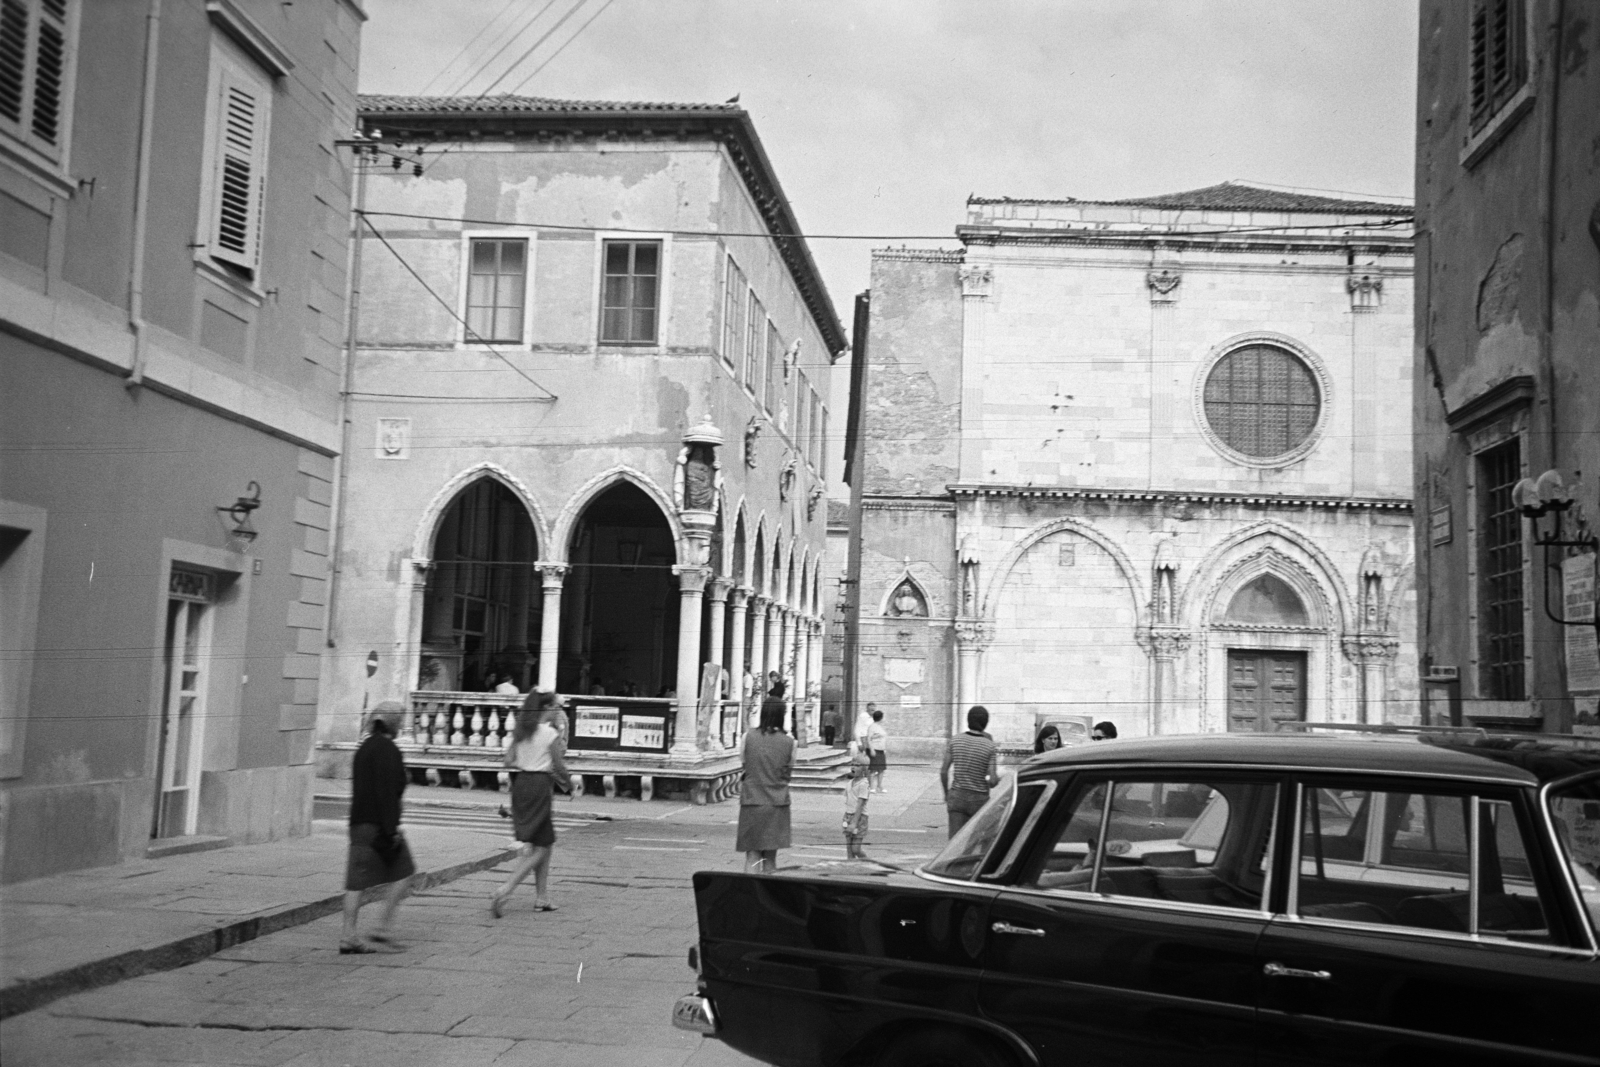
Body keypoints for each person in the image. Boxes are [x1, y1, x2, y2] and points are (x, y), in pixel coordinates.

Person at [340, 701, 417, 954]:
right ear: (392, 723)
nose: (401, 726)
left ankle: (348, 935)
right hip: (379, 825)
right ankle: (382, 927)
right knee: (405, 871)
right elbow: (386, 792)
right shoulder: (388, 749)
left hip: (358, 822)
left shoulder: (364, 748)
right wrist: (391, 828)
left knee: (355, 882)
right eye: (400, 721)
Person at [491, 691, 572, 918]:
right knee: (543, 845)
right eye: (554, 707)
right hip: (539, 785)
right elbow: (558, 764)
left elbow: (508, 761)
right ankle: (505, 889)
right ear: (546, 708)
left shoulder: (521, 731)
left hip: (521, 784)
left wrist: (527, 759)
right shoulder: (549, 733)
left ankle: (542, 897)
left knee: (541, 841)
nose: (557, 710)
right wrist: (568, 785)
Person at [736, 697, 796, 872]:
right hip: (777, 804)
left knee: (752, 856)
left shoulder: (748, 737)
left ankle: (752, 895)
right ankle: (767, 896)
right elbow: (787, 773)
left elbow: (745, 766)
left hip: (752, 802)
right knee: (770, 858)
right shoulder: (790, 742)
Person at [940, 705, 1000, 838]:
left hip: (957, 797)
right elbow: (993, 781)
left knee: (954, 842)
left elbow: (943, 771)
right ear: (985, 723)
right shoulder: (990, 746)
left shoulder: (955, 740)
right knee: (973, 843)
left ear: (968, 720)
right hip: (979, 800)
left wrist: (946, 793)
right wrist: (996, 779)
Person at [842, 741, 870, 859]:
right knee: (849, 849)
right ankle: (851, 868)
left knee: (856, 848)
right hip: (848, 816)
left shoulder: (864, 784)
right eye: (852, 764)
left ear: (863, 769)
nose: (853, 767)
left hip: (859, 818)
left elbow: (860, 804)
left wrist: (854, 823)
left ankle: (869, 863)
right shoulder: (850, 783)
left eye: (857, 765)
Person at [867, 708, 888, 794]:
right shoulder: (872, 727)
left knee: (881, 769)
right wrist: (871, 749)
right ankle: (872, 787)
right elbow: (869, 738)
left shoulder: (879, 727)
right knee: (873, 769)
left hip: (881, 750)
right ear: (881, 718)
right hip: (875, 749)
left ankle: (879, 786)